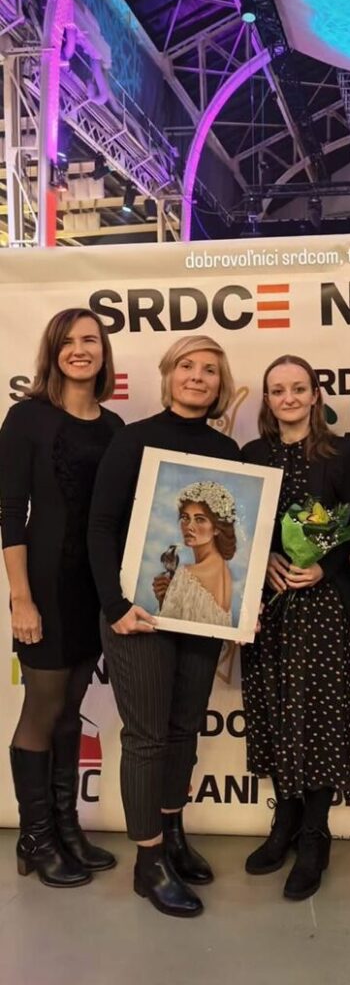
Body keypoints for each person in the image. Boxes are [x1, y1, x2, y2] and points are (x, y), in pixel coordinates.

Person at [87, 334, 240, 918]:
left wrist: (236, 603)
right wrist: (115, 605)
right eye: (186, 366)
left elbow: (239, 538)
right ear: (169, 374)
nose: (197, 376)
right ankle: (147, 860)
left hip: (200, 614)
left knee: (182, 730)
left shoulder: (226, 450)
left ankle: (172, 832)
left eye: (209, 369)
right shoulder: (133, 439)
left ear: (221, 383)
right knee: (147, 737)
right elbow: (101, 527)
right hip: (139, 615)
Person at [0, 308, 122, 888]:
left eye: (91, 340)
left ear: (103, 352)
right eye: (69, 341)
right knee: (42, 711)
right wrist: (20, 599)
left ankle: (67, 829)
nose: (80, 349)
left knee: (71, 710)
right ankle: (35, 839)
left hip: (91, 587)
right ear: (53, 351)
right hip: (44, 586)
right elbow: (10, 513)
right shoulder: (27, 418)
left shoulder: (114, 427)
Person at [241, 355, 350, 901]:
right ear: (267, 400)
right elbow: (239, 526)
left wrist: (324, 566)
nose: (288, 398)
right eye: (277, 390)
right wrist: (262, 558)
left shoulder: (341, 454)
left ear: (316, 394)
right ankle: (284, 822)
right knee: (272, 707)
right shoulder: (252, 456)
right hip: (268, 604)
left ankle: (315, 833)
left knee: (318, 714)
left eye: (298, 388)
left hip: (321, 603)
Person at [154, 483, 237, 627]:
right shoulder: (226, 573)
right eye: (185, 517)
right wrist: (166, 598)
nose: (189, 526)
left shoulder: (187, 574)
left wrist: (167, 601)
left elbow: (167, 630)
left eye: (200, 519)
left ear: (217, 528)